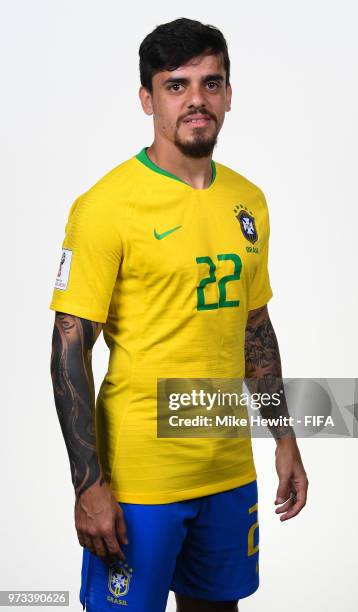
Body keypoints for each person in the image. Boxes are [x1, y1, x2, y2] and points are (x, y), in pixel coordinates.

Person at [49, 17, 308, 612]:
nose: (197, 100)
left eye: (211, 84)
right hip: (141, 479)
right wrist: (89, 485)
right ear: (147, 98)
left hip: (226, 465)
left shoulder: (248, 201)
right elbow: (68, 349)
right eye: (177, 85)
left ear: (228, 95)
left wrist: (285, 439)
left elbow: (255, 330)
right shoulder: (105, 206)